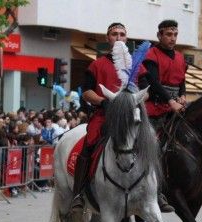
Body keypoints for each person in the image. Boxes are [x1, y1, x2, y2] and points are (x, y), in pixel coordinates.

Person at [72, 22, 173, 212]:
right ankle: (78, 194)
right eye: (114, 34)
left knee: (154, 144)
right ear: (107, 38)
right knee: (89, 143)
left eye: (122, 34)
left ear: (126, 39)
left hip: (132, 116)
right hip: (104, 115)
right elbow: (86, 92)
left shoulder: (137, 66)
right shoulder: (96, 65)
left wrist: (134, 98)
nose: (118, 37)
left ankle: (157, 192)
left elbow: (148, 92)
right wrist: (103, 101)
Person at [143, 19, 188, 133]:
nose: (173, 38)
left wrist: (183, 95)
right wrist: (171, 101)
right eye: (169, 34)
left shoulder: (180, 57)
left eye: (175, 35)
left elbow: (182, 80)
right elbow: (153, 83)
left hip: (176, 108)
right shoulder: (151, 54)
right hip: (155, 107)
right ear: (159, 35)